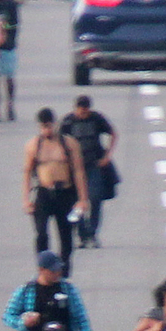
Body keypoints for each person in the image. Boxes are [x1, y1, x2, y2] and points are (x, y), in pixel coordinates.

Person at [24, 108, 90, 273]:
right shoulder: (34, 145)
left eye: (49, 126)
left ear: (55, 124)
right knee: (41, 234)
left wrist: (82, 199)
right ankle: (44, 269)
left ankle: (63, 270)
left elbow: (78, 171)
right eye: (43, 127)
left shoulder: (69, 144)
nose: (47, 130)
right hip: (44, 193)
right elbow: (27, 172)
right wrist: (26, 200)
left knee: (66, 235)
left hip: (65, 193)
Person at [64, 96, 118, 250]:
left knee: (95, 198)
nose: (83, 113)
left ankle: (93, 233)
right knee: (76, 201)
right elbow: (60, 142)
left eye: (85, 110)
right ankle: (82, 235)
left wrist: (107, 156)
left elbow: (113, 134)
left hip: (94, 165)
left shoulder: (96, 118)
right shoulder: (68, 122)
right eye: (80, 110)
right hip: (75, 168)